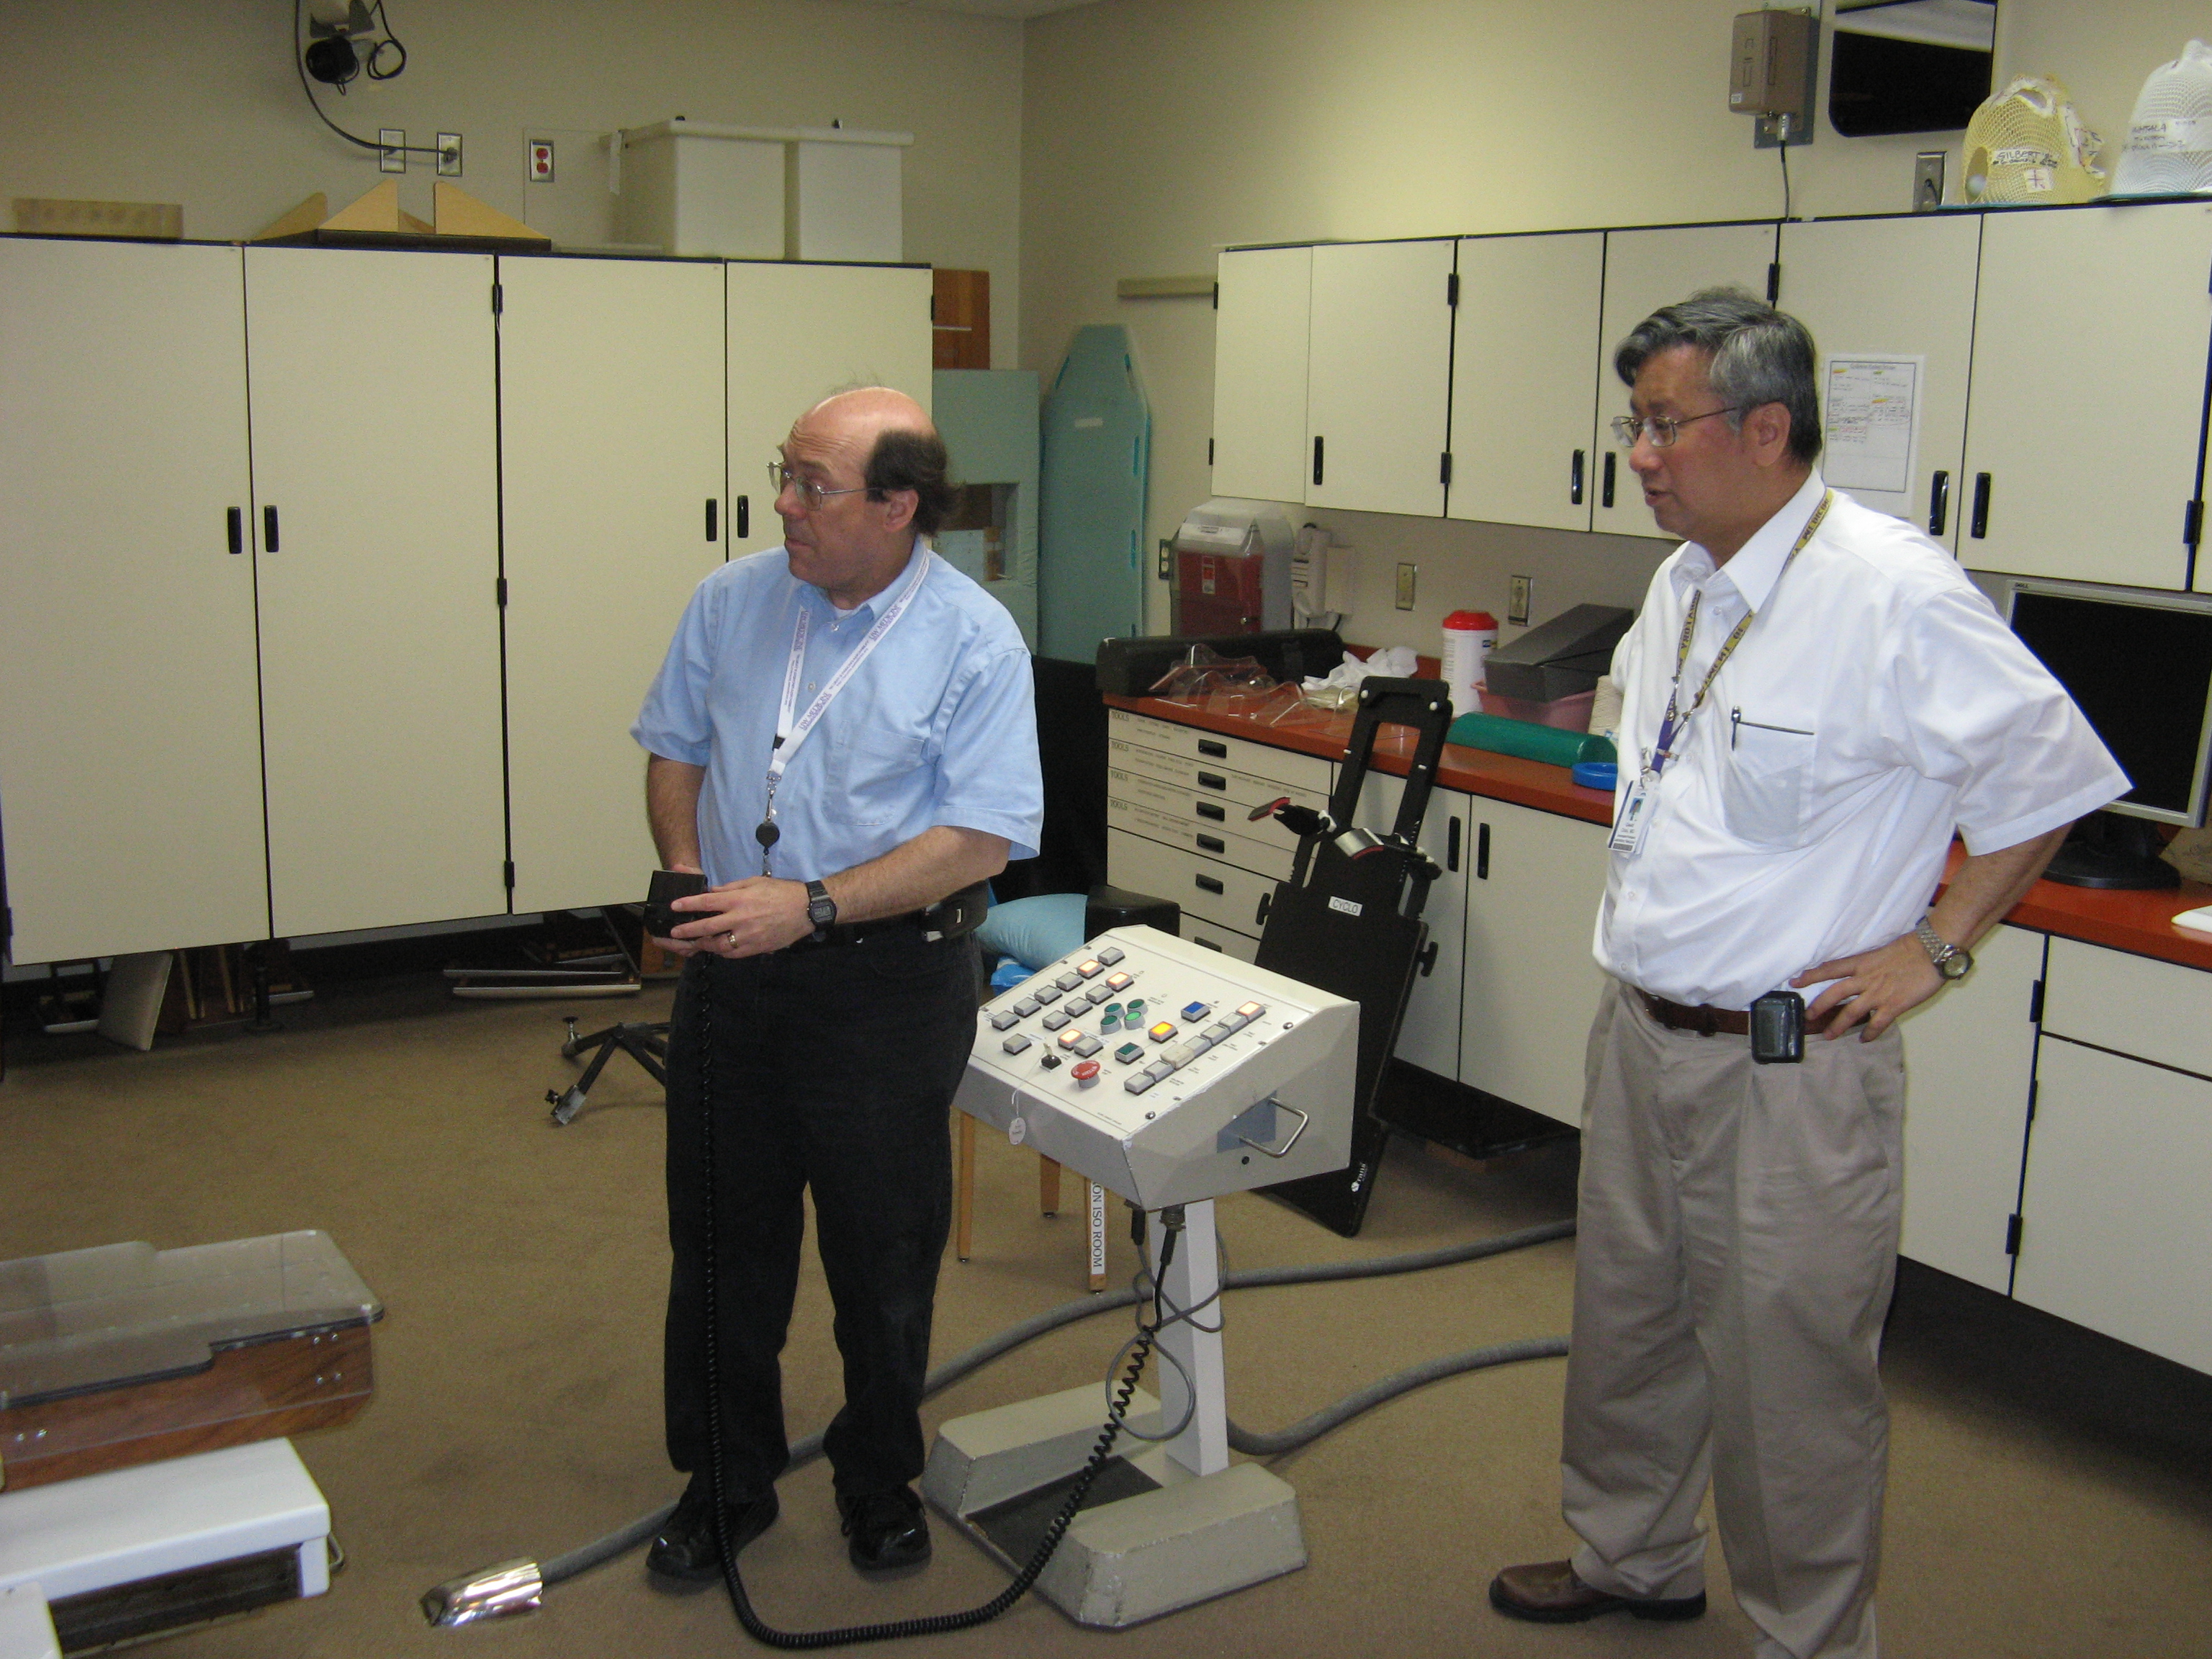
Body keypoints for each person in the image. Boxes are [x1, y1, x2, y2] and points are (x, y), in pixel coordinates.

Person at [1487, 290, 2126, 1658]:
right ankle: (1634, 1556)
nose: (1640, 454)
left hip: (1788, 1067)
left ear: (1766, 428)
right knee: (1630, 1325)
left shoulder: (1890, 590)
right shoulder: (1683, 582)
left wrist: (1935, 947)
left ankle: (1809, 1638)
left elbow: (2051, 780)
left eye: (1666, 425)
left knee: (1789, 1377)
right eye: (1635, 423)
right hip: (1642, 1031)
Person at [629, 387, 1042, 1584]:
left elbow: (978, 838)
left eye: (814, 484)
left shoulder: (973, 640)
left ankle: (876, 1481)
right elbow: (676, 748)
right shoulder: (732, 600)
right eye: (787, 473)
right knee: (721, 1247)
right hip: (733, 975)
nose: (785, 504)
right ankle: (724, 1482)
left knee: (882, 1256)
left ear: (898, 504)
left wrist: (808, 904)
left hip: (887, 987)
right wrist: (686, 871)